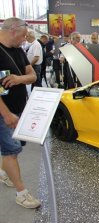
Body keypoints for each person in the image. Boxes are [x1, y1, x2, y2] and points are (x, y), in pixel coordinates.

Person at [0, 17, 41, 209]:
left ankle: (3, 173)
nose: (25, 40)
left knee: (13, 149)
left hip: (19, 109)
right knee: (12, 152)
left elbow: (33, 75)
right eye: (23, 35)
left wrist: (18, 79)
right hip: (4, 113)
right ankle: (21, 193)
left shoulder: (18, 50)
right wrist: (6, 114)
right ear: (13, 30)